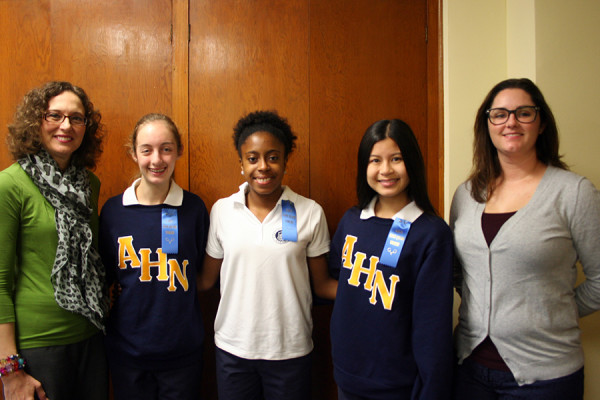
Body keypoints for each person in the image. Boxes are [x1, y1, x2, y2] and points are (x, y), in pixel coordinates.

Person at [451, 78, 600, 399]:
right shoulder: (466, 194)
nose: (511, 122)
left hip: (545, 377)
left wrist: (554, 310)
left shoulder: (574, 192)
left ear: (542, 122)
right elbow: (459, 272)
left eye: (524, 113)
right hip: (469, 367)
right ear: (487, 124)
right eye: (499, 114)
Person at [198, 110, 337, 400]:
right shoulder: (222, 211)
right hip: (233, 351)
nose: (263, 167)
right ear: (241, 163)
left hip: (291, 350)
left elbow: (322, 284)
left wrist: (370, 288)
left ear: (286, 161)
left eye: (273, 157)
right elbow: (206, 281)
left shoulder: (310, 212)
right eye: (253, 158)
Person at [328, 119, 454, 400]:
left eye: (396, 159)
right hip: (347, 377)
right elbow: (339, 283)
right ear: (364, 166)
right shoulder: (352, 221)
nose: (386, 170)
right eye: (375, 160)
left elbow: (433, 328)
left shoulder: (431, 234)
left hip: (398, 385)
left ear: (412, 162)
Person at [0, 81, 108, 400]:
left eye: (77, 118)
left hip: (91, 337)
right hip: (39, 345)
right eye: (55, 115)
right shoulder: (11, 184)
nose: (66, 125)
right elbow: (0, 281)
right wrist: (10, 371)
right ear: (37, 122)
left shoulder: (89, 183)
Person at [99, 113, 209, 400]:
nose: (157, 159)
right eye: (146, 150)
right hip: (128, 353)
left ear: (178, 151)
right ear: (134, 153)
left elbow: (199, 272)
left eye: (166, 149)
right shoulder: (113, 211)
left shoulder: (194, 209)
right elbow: (108, 275)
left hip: (182, 354)